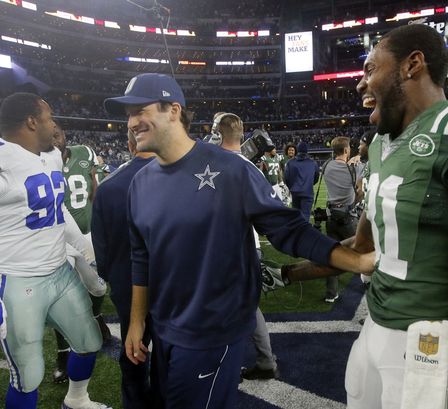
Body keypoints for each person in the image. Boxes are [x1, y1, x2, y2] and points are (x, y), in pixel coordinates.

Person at [270, 24, 448, 409]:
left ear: (412, 65)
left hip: (431, 342)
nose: (361, 84)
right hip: (374, 330)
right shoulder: (382, 144)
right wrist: (283, 273)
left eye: (369, 69)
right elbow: (360, 248)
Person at [103, 73, 374, 409]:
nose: (131, 122)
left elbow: (287, 230)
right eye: (127, 115)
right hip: (164, 329)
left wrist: (356, 261)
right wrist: (137, 322)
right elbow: (141, 256)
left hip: (214, 332)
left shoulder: (231, 169)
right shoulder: (140, 183)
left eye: (139, 111)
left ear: (173, 110)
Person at [0, 92, 109, 409]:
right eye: (49, 118)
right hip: (18, 281)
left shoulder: (51, 156)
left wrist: (85, 255)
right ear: (31, 122)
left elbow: (58, 214)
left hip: (59, 272)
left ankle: (77, 399)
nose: (55, 125)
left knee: (89, 341)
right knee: (28, 375)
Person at [209, 112, 280, 381]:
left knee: (225, 306)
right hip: (249, 244)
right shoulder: (249, 168)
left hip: (227, 248)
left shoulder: (218, 166)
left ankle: (240, 363)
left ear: (217, 133)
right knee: (246, 305)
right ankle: (264, 360)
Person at [91, 131, 156, 409]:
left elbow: (101, 249)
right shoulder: (181, 179)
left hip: (127, 282)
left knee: (134, 350)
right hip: (176, 284)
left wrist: (113, 276)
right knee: (173, 350)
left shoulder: (108, 186)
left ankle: (135, 402)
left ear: (130, 145)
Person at [52, 124, 111, 383]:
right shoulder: (40, 162)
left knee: (98, 289)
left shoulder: (84, 152)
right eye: (50, 134)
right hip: (58, 240)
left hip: (88, 233)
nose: (55, 139)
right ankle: (62, 354)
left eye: (58, 133)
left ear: (65, 135)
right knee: (62, 299)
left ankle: (96, 316)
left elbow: (95, 188)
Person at [323, 136, 358, 303]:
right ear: (346, 150)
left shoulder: (326, 166)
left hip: (331, 217)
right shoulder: (354, 169)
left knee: (332, 256)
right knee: (363, 254)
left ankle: (331, 293)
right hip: (349, 218)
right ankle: (369, 289)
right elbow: (360, 191)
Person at [284, 141, 319, 222]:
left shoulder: (290, 162)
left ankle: (296, 233)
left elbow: (286, 178)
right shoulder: (313, 163)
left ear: (297, 150)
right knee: (305, 216)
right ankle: (303, 233)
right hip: (308, 193)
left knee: (296, 216)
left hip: (295, 193)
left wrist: (292, 187)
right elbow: (316, 178)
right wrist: (309, 184)